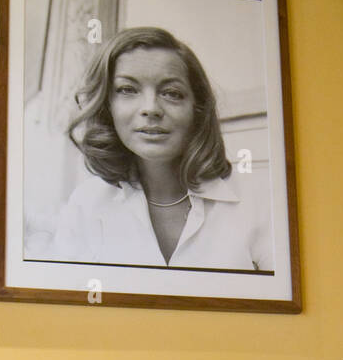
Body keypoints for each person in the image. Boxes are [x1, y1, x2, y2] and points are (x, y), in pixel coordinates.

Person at [48, 27, 273, 270]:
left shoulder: (259, 201)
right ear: (107, 106)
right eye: (127, 90)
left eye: (171, 93)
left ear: (197, 109)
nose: (151, 108)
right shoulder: (86, 205)